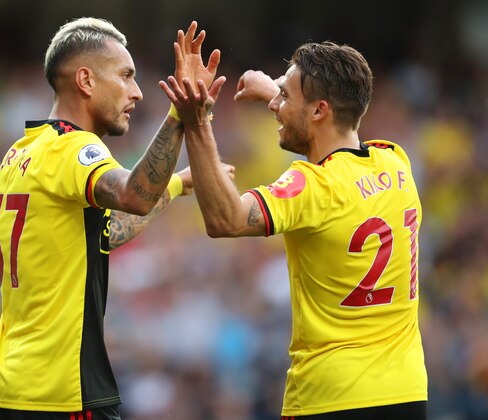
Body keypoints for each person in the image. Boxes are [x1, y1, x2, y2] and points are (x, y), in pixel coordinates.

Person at [160, 41, 428, 419]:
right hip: (406, 392)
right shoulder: (396, 161)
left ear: (319, 109)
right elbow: (335, 131)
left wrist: (196, 120)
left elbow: (226, 219)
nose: (276, 104)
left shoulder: (311, 187)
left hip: (330, 398)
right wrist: (276, 92)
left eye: (285, 96)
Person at [0, 18, 232, 420]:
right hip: (62, 390)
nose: (136, 92)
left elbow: (105, 233)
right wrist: (180, 114)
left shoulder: (20, 154)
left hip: (11, 386)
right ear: (85, 80)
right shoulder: (74, 149)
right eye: (125, 75)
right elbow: (132, 196)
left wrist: (174, 185)